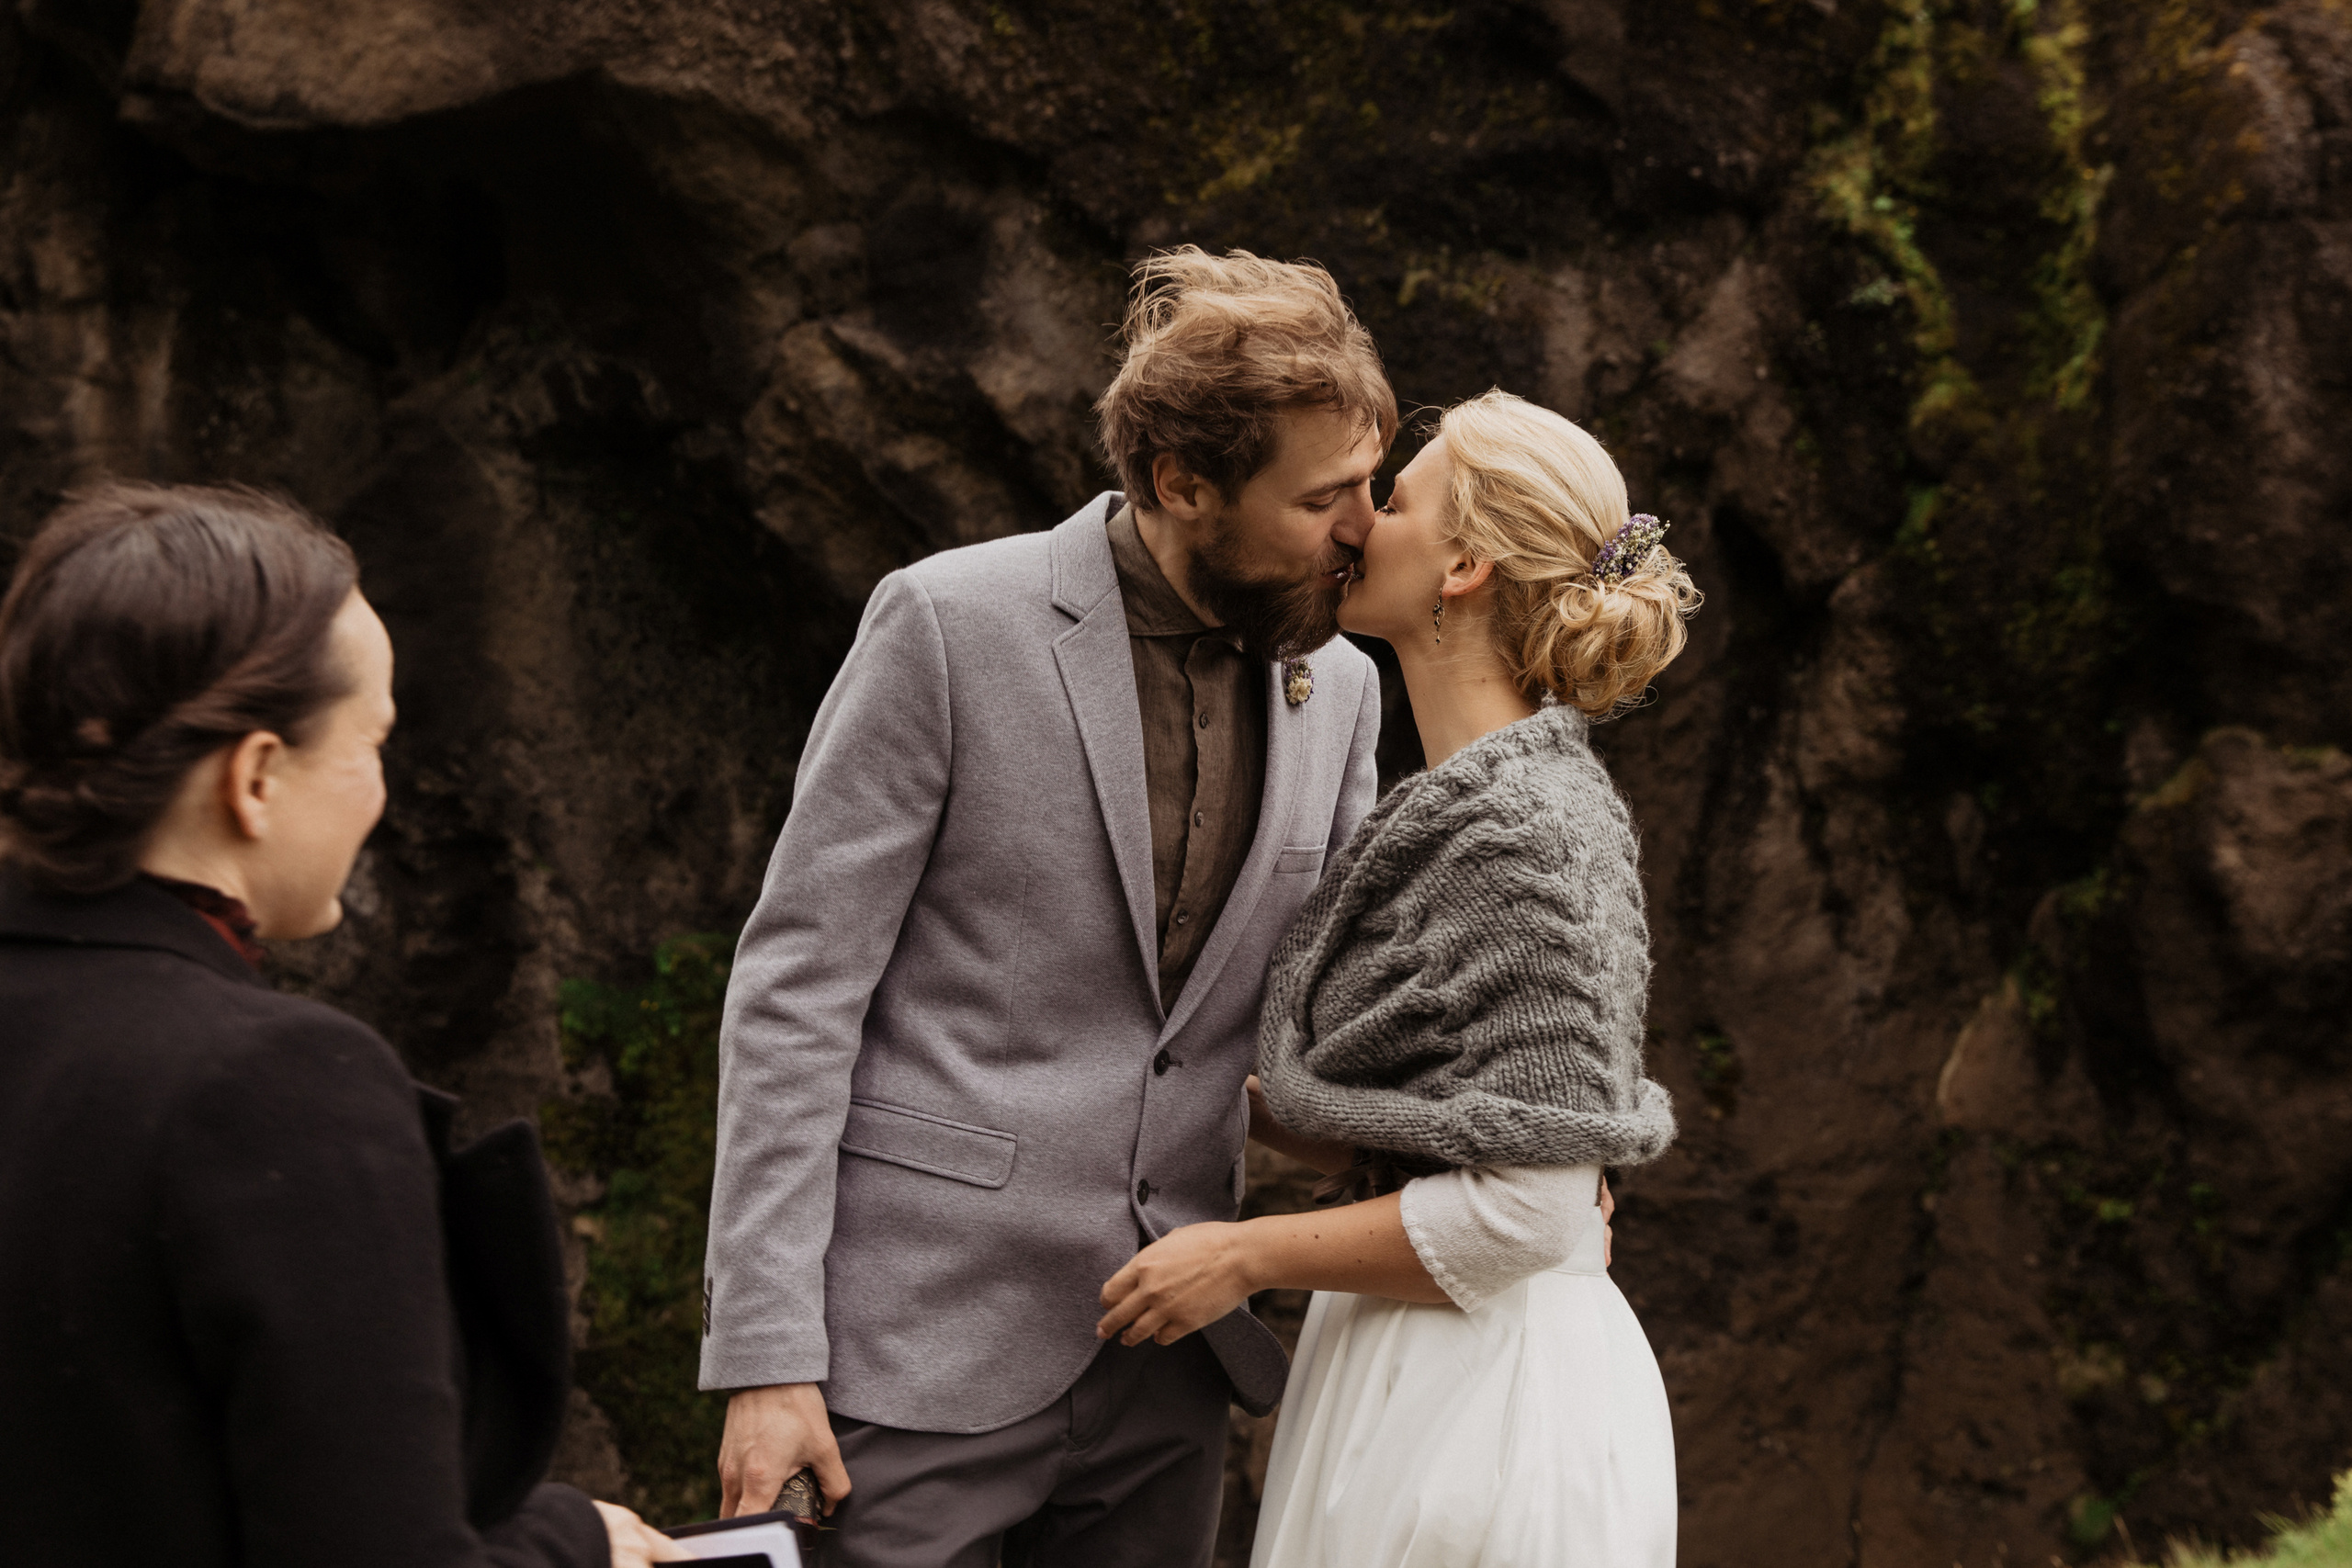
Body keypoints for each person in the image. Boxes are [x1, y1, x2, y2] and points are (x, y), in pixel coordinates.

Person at [699, 248, 1395, 1567]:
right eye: (1325, 497)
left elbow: (1330, 1018)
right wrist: (767, 1356)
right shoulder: (946, 621)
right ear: (1182, 483)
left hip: (1170, 1373)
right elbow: (796, 995)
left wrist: (1507, 1158)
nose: (1366, 524)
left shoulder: (1342, 684)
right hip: (913, 1349)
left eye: (1369, 483)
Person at [0, 483, 681, 1568]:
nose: (380, 793)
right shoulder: (268, 1084)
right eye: (372, 744)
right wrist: (572, 1544)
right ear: (257, 777)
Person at [1094, 390, 1702, 1567]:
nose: (1359, 521)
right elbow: (1448, 1131)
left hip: (1484, 1399)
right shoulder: (1473, 803)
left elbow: (1531, 1207)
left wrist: (1242, 1256)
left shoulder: (1520, 833)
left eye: (1398, 500)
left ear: (1462, 566)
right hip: (1420, 1352)